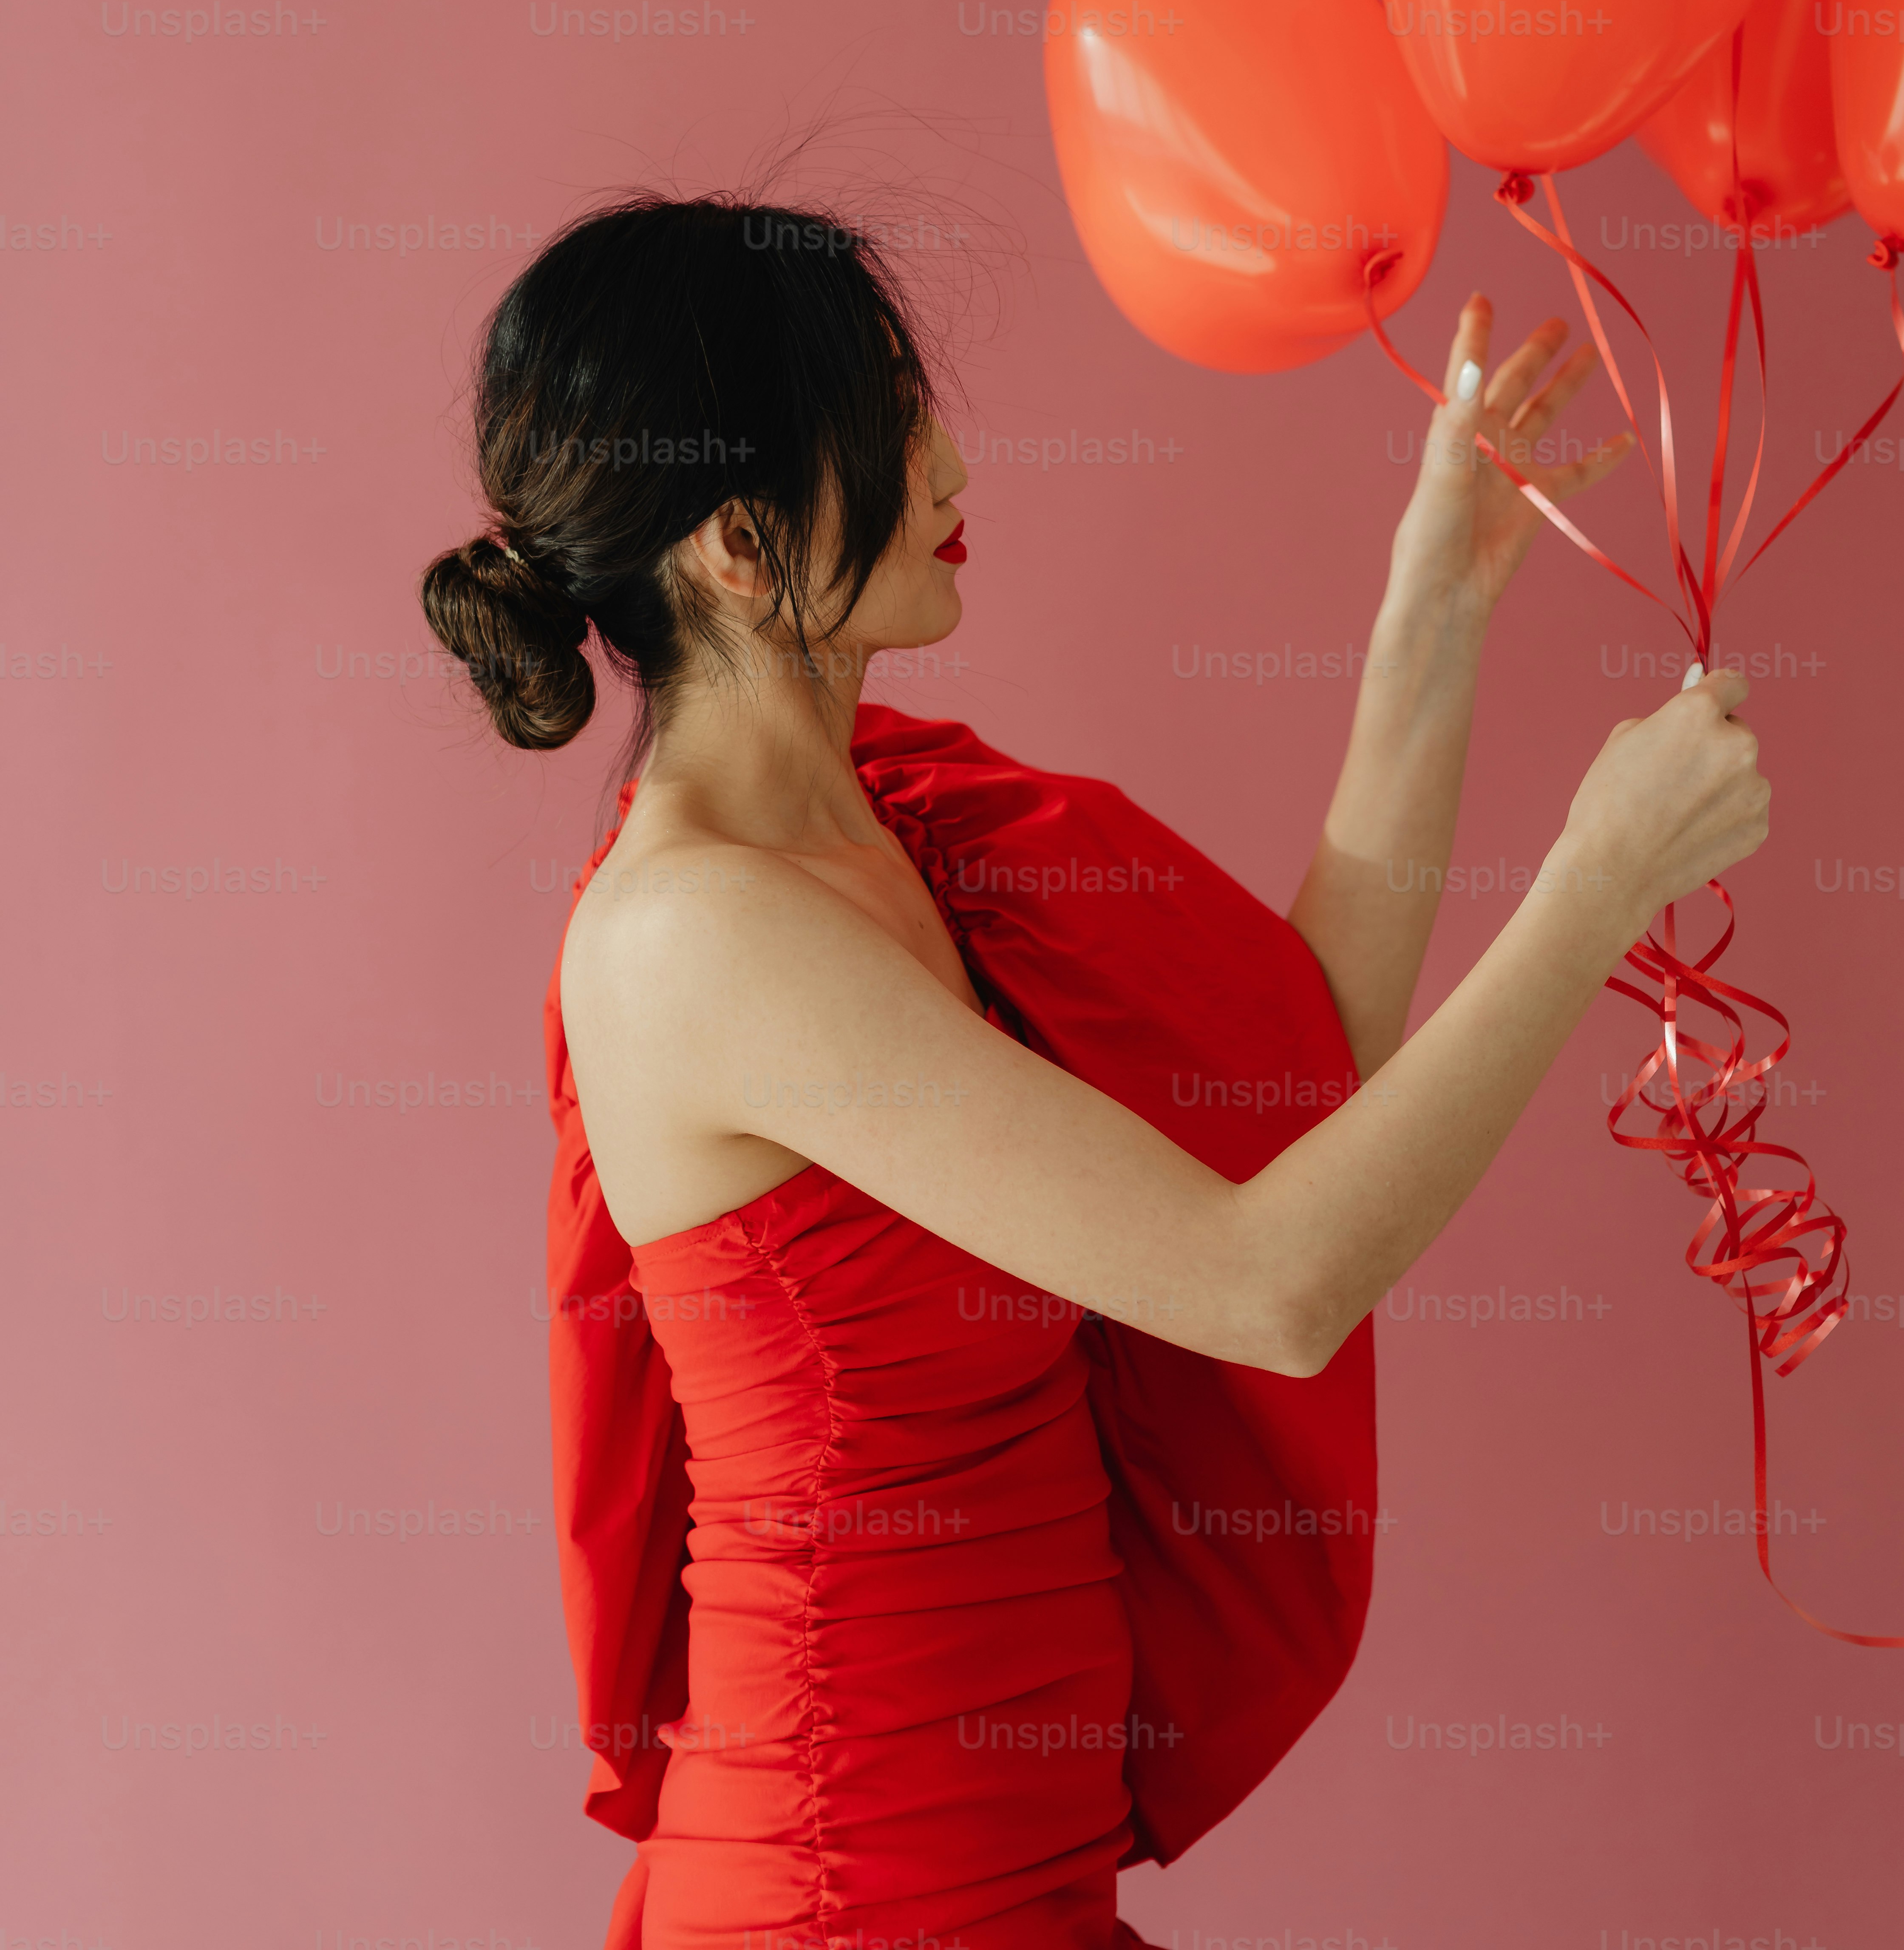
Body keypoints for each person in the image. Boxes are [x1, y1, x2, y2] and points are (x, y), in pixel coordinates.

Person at [420, 192, 1768, 1950]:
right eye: (894, 416)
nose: (954, 463)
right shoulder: (694, 938)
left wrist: (1431, 610)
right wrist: (1590, 888)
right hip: (857, 1908)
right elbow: (1266, 1283)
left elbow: (1285, 1101)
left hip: (1008, 1885)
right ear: (739, 546)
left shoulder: (897, 830)